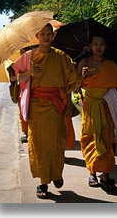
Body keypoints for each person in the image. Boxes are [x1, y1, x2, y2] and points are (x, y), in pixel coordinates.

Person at [14, 23, 78, 199]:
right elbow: (17, 78)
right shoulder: (28, 56)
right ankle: (43, 182)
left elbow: (71, 82)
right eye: (43, 34)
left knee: (57, 143)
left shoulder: (62, 57)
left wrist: (70, 104)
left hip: (55, 106)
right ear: (37, 35)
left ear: (53, 36)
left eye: (50, 34)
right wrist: (29, 74)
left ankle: (56, 173)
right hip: (36, 108)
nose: (47, 37)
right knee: (39, 145)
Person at [77, 34, 117, 192]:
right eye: (95, 44)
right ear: (90, 46)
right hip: (90, 106)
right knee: (90, 139)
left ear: (105, 47)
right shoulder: (84, 63)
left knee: (106, 139)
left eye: (101, 44)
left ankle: (105, 175)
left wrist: (107, 96)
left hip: (106, 106)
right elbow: (75, 85)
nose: (98, 47)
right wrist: (83, 76)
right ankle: (92, 173)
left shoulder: (111, 65)